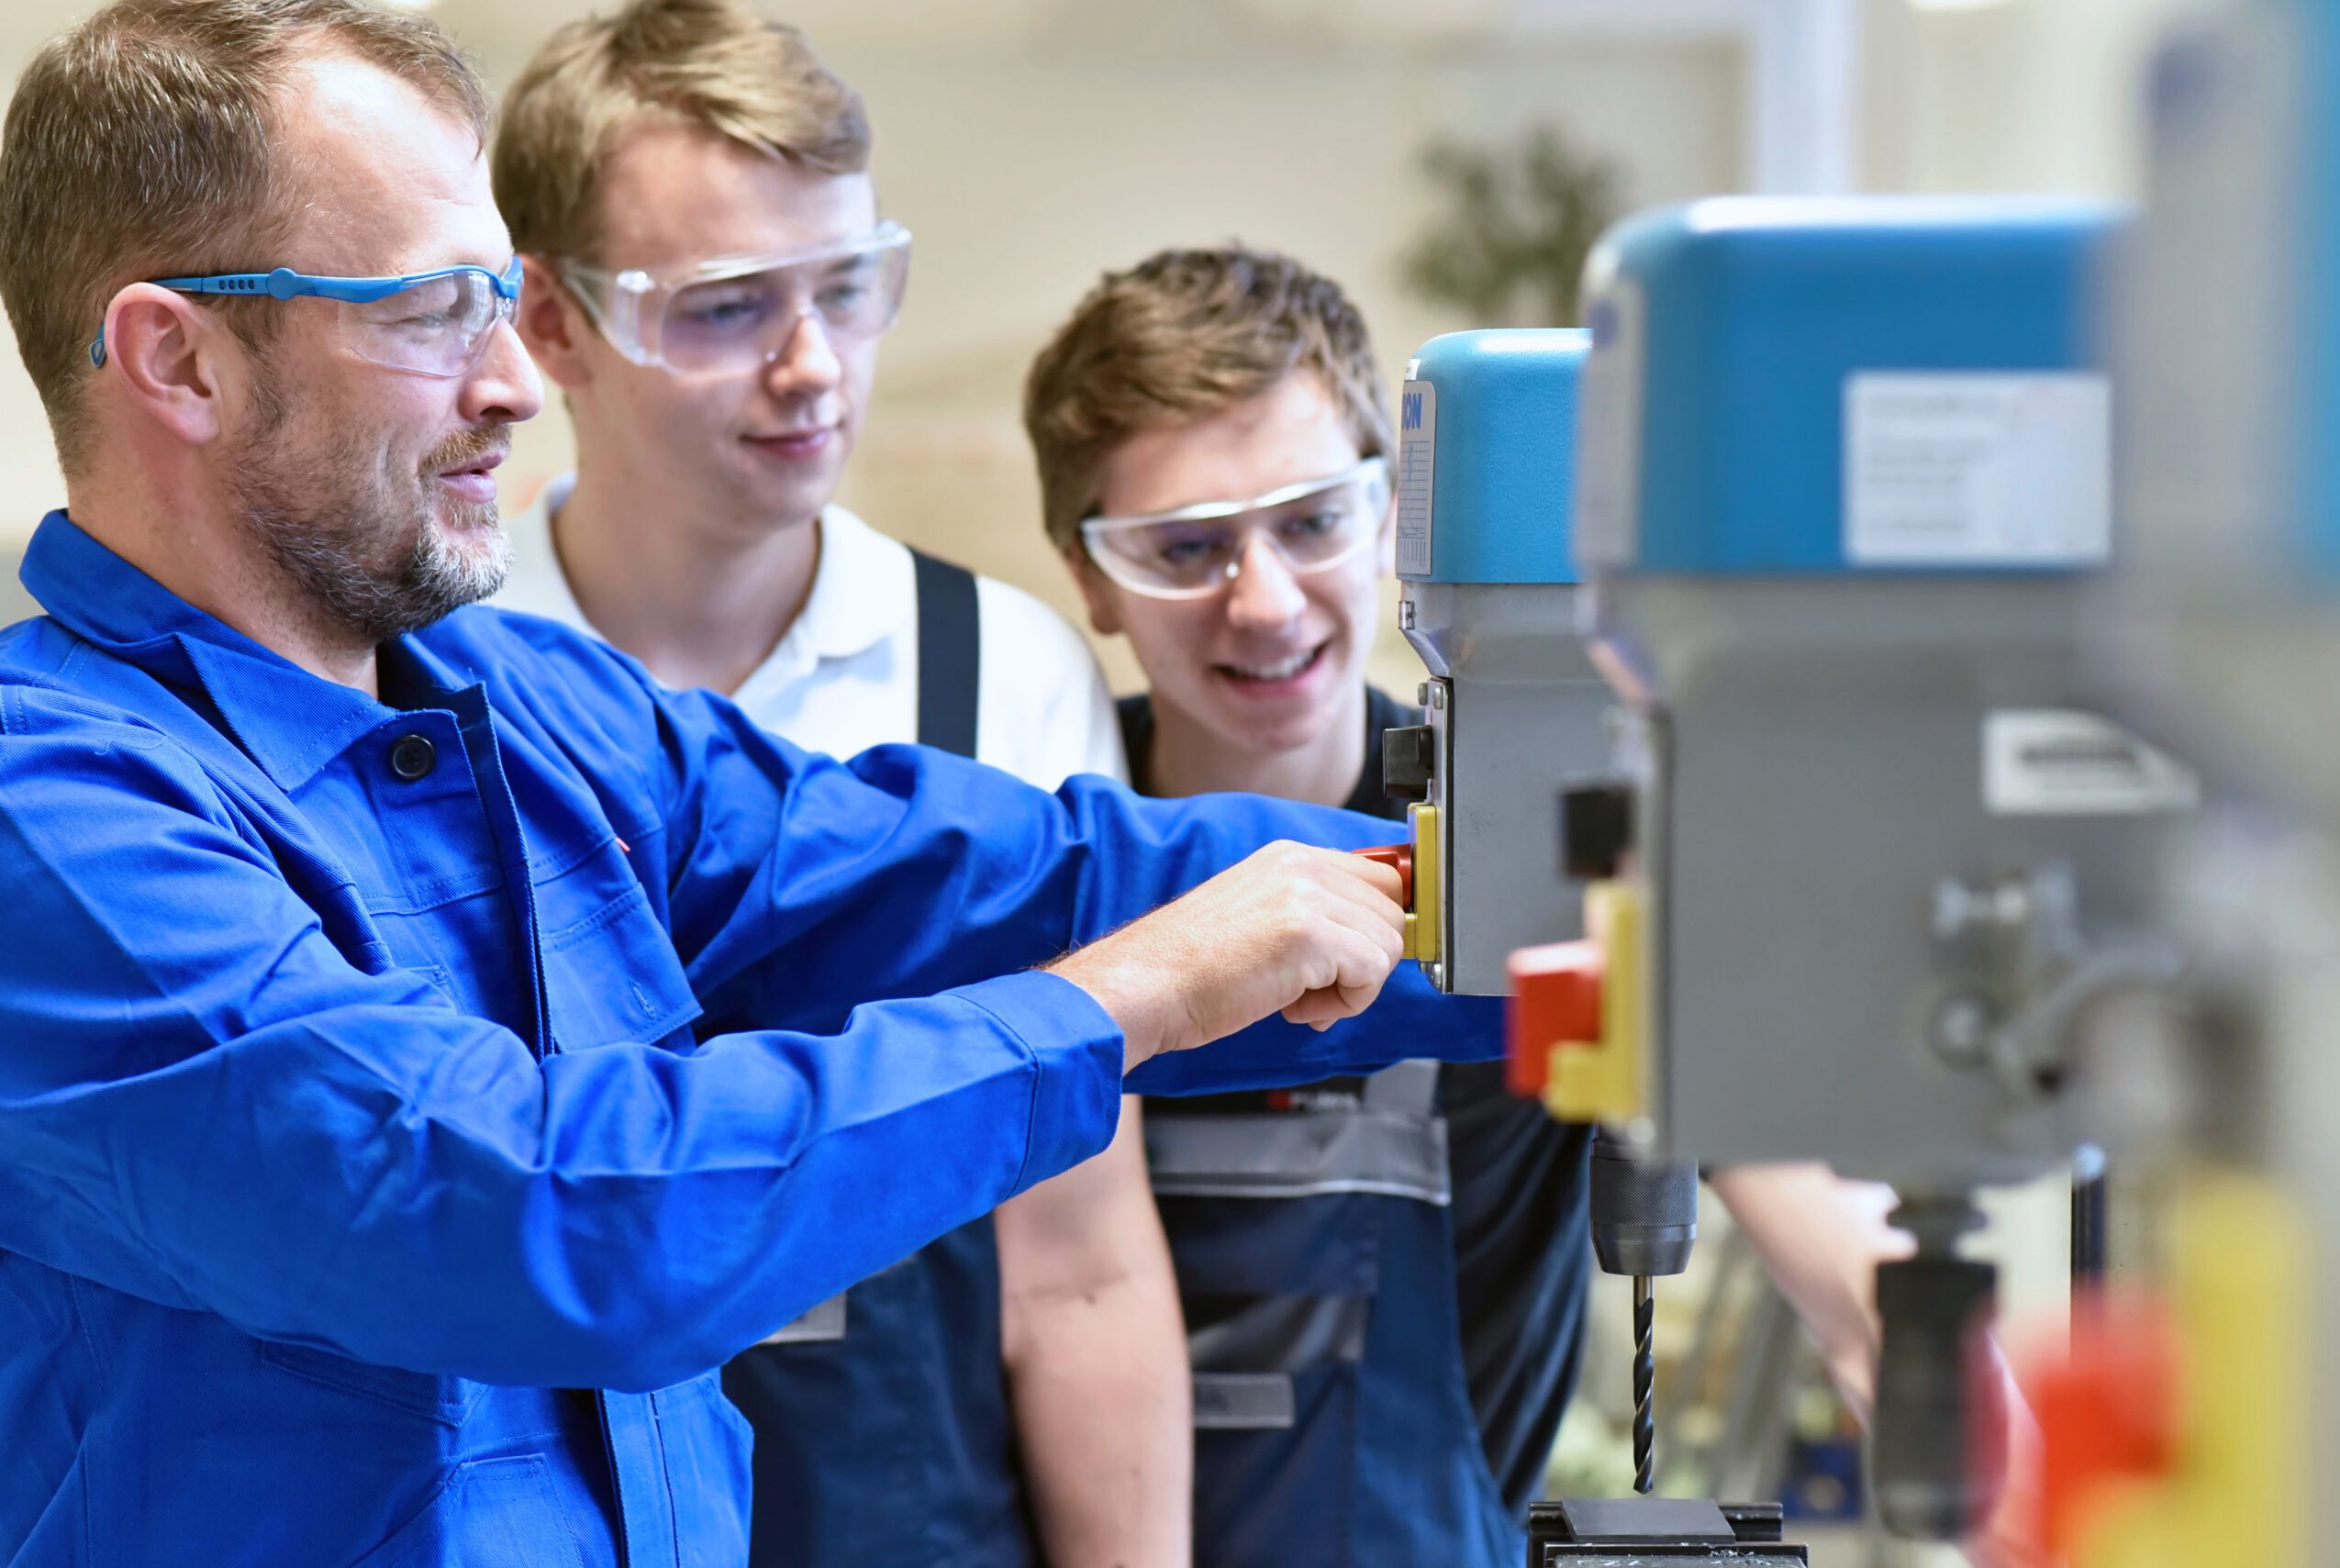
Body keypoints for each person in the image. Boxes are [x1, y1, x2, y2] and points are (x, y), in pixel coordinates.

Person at [0, 9, 1499, 1567]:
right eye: (438, 309)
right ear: (176, 357)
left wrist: (1597, 911)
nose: (515, 383)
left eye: (502, 300)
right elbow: (542, 1215)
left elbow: (1018, 880)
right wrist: (1129, 997)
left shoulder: (534, 708)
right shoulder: (56, 812)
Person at [1024, 246, 2032, 1565]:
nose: (1263, 597)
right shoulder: (1022, 868)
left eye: (1312, 519)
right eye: (1186, 546)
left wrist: (1971, 1419)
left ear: (1396, 515)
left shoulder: (1539, 840)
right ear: (1092, 578)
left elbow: (1826, 1236)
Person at [488, 6, 1184, 1562]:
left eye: (849, 287)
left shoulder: (994, 671)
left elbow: (1076, 1264)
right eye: (730, 307)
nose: (813, 368)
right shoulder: (431, 685)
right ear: (548, 325)